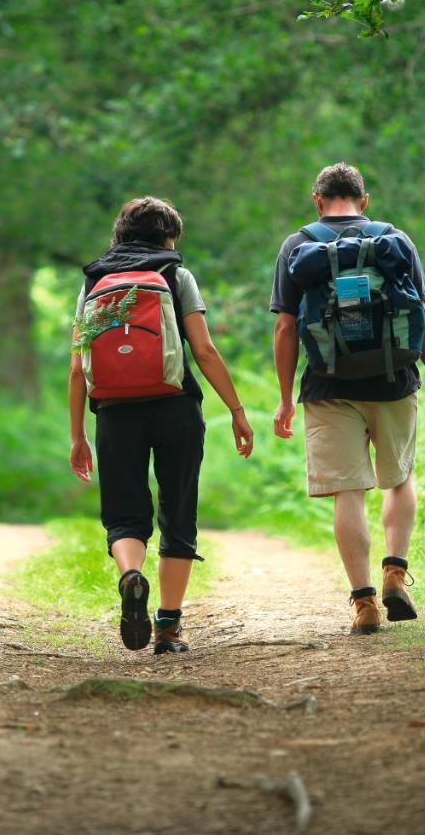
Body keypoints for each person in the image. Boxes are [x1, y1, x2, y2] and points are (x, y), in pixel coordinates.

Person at [270, 163, 425, 634]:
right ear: (364, 200)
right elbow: (424, 319)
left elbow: (286, 326)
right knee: (398, 477)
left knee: (348, 491)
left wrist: (286, 398)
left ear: (317, 199)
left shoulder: (298, 245)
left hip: (329, 386)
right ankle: (395, 572)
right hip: (394, 380)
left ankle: (365, 603)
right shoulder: (394, 240)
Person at [68, 196, 254, 654]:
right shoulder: (176, 275)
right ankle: (168, 627)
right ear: (168, 236)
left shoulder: (95, 280)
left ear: (120, 233)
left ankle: (131, 575)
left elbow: (77, 368)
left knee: (124, 514)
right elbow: (205, 351)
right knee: (178, 510)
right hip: (175, 407)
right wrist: (236, 409)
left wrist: (78, 435)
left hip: (113, 412)